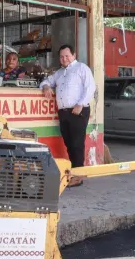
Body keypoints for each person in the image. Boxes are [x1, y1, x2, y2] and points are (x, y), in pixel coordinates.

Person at [40, 45, 96, 187]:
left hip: (78, 111)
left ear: (74, 55)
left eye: (67, 56)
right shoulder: (59, 73)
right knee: (69, 144)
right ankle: (74, 172)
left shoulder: (82, 68)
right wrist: (46, 87)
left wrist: (80, 104)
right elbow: (46, 81)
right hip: (64, 113)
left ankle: (78, 176)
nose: (64, 59)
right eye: (61, 56)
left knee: (77, 144)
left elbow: (91, 87)